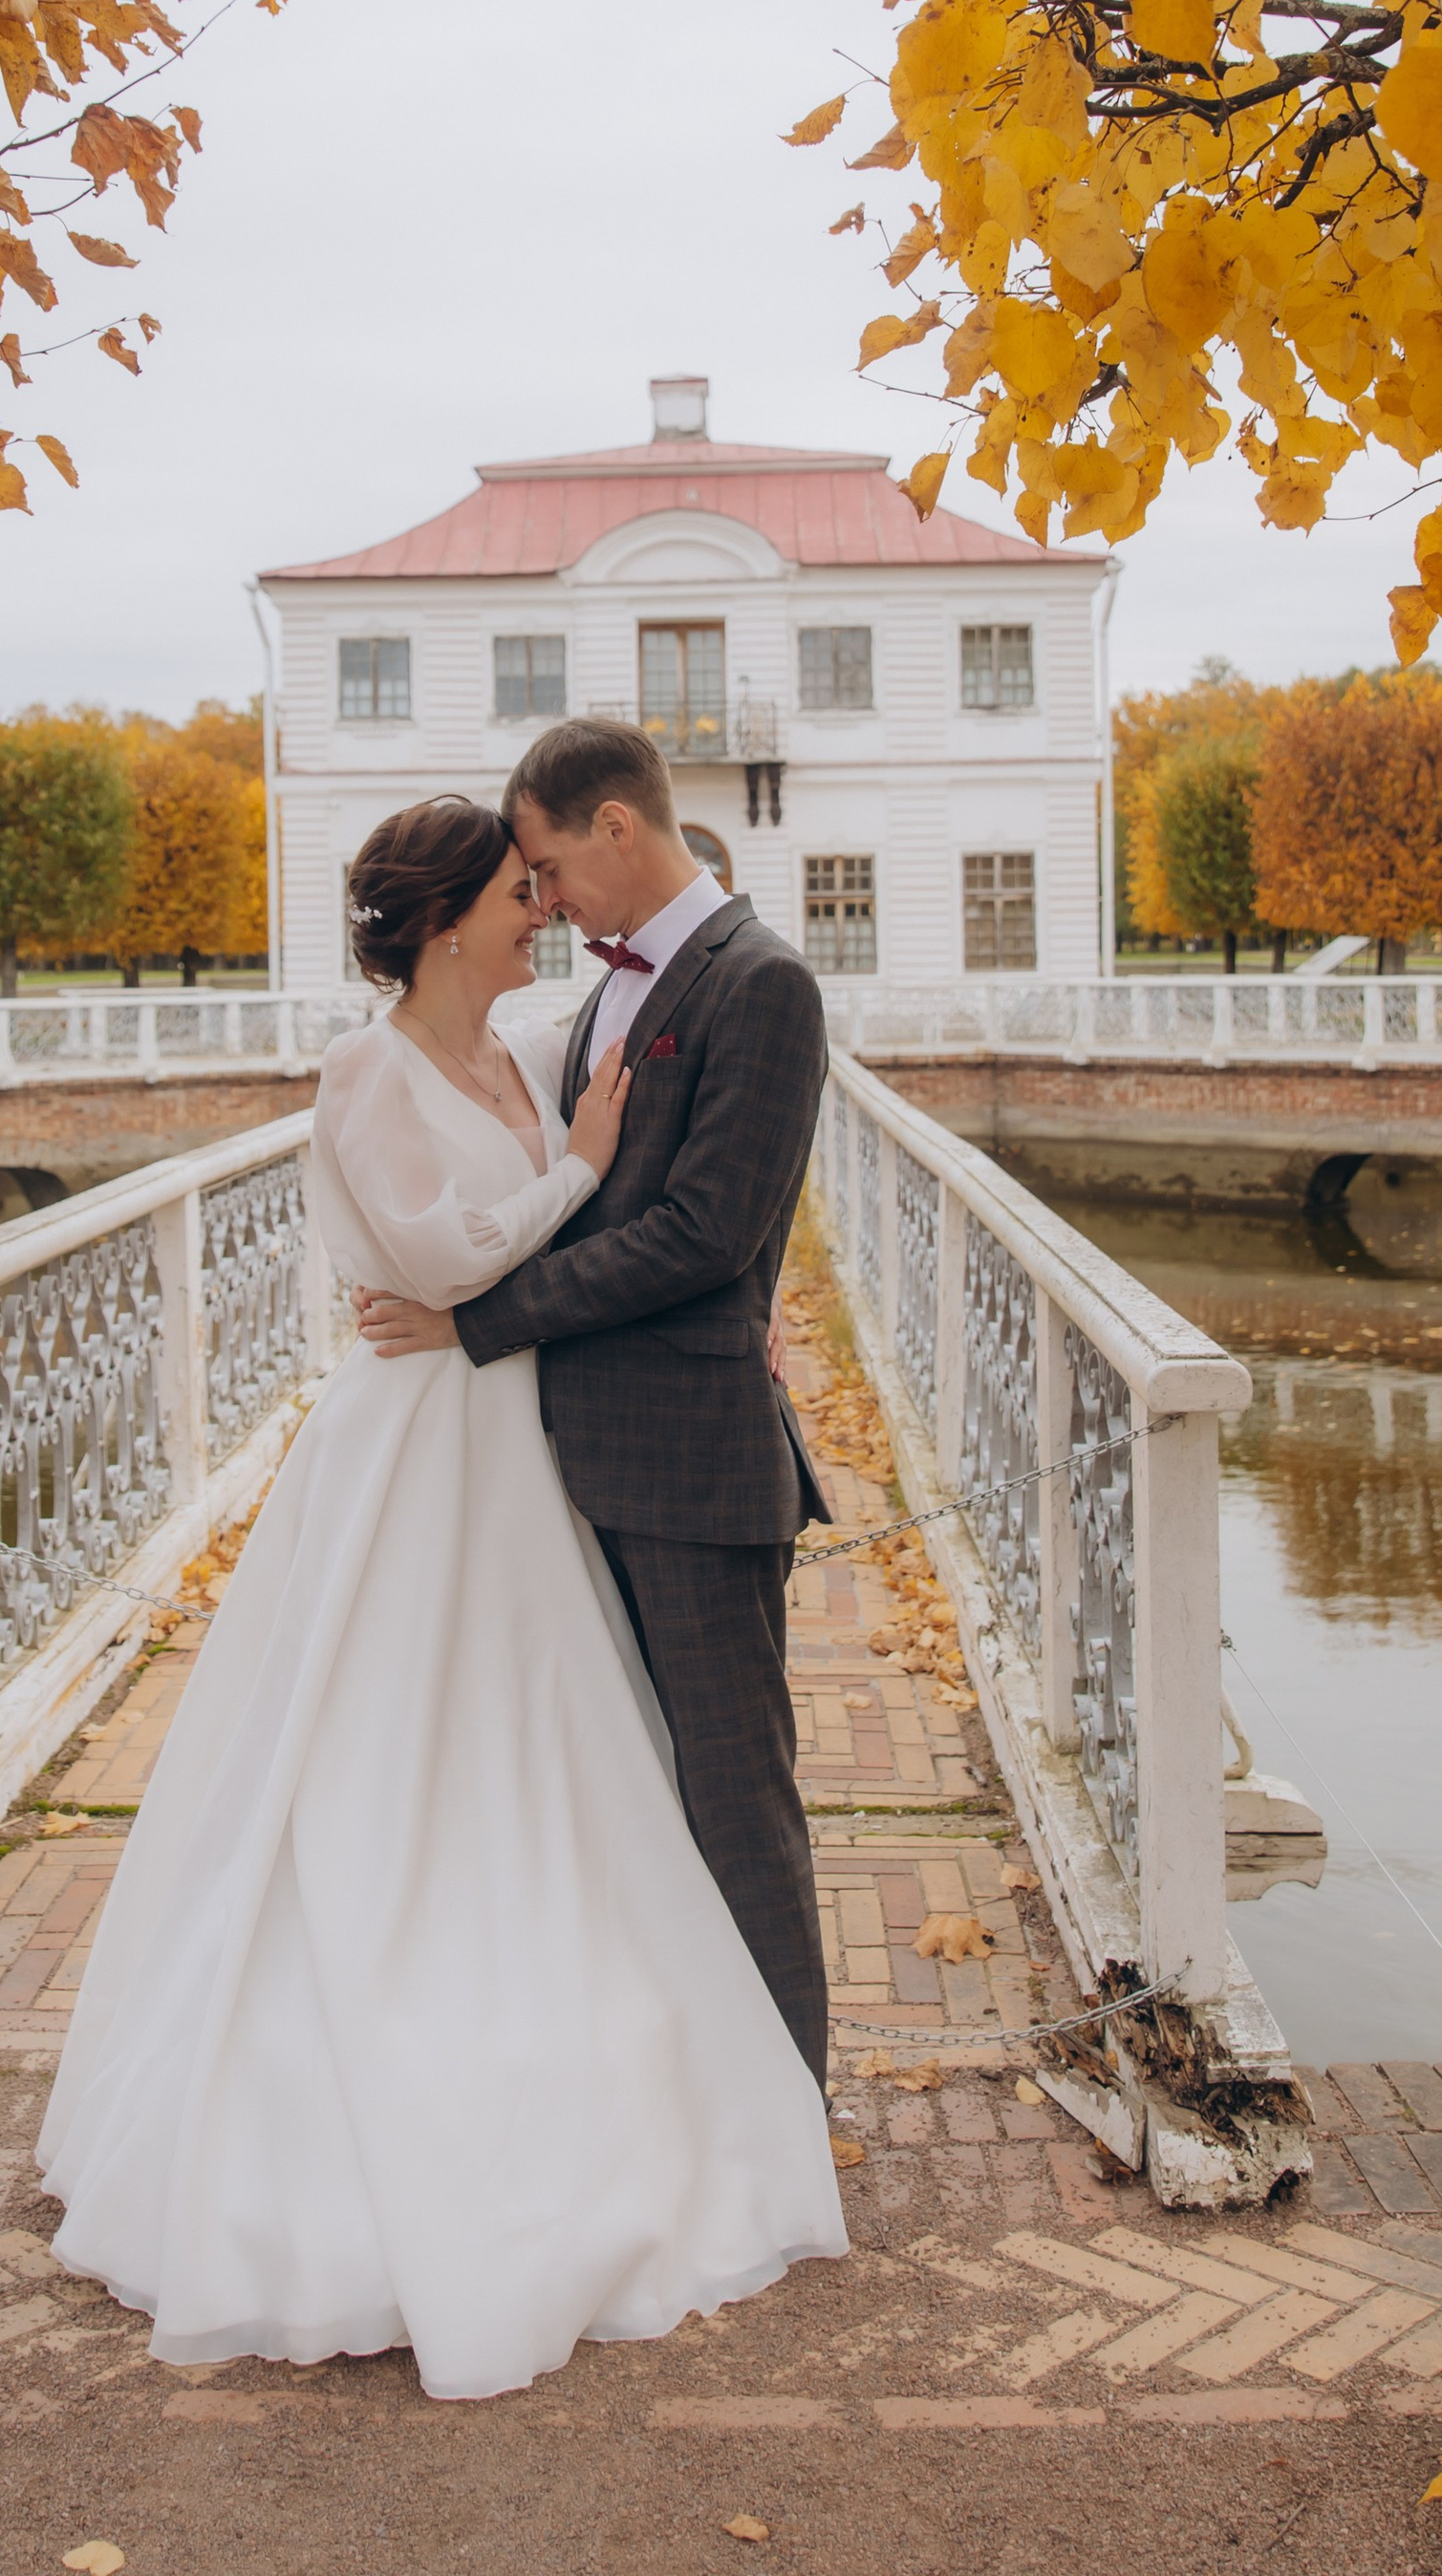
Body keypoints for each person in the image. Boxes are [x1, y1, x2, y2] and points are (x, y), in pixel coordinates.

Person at [35, 792, 844, 2404]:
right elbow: (431, 1252)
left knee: (547, 1744)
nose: (536, 906)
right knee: (385, 1748)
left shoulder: (530, 1044)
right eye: (511, 888)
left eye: (539, 875)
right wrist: (582, 1172)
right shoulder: (366, 1069)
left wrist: (658, 1229)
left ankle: (671, 2061)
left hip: (519, 1440)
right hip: (419, 1433)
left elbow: (646, 1138)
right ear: (444, 916)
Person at [358, 720, 834, 2084]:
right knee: (622, 1799)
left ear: (617, 827)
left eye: (553, 865)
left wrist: (475, 1323)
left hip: (691, 1472)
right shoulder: (599, 1002)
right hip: (571, 1467)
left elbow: (705, 1232)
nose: (548, 897)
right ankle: (674, 2086)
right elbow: (552, 1196)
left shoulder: (763, 982)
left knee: (736, 1800)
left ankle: (784, 2108)